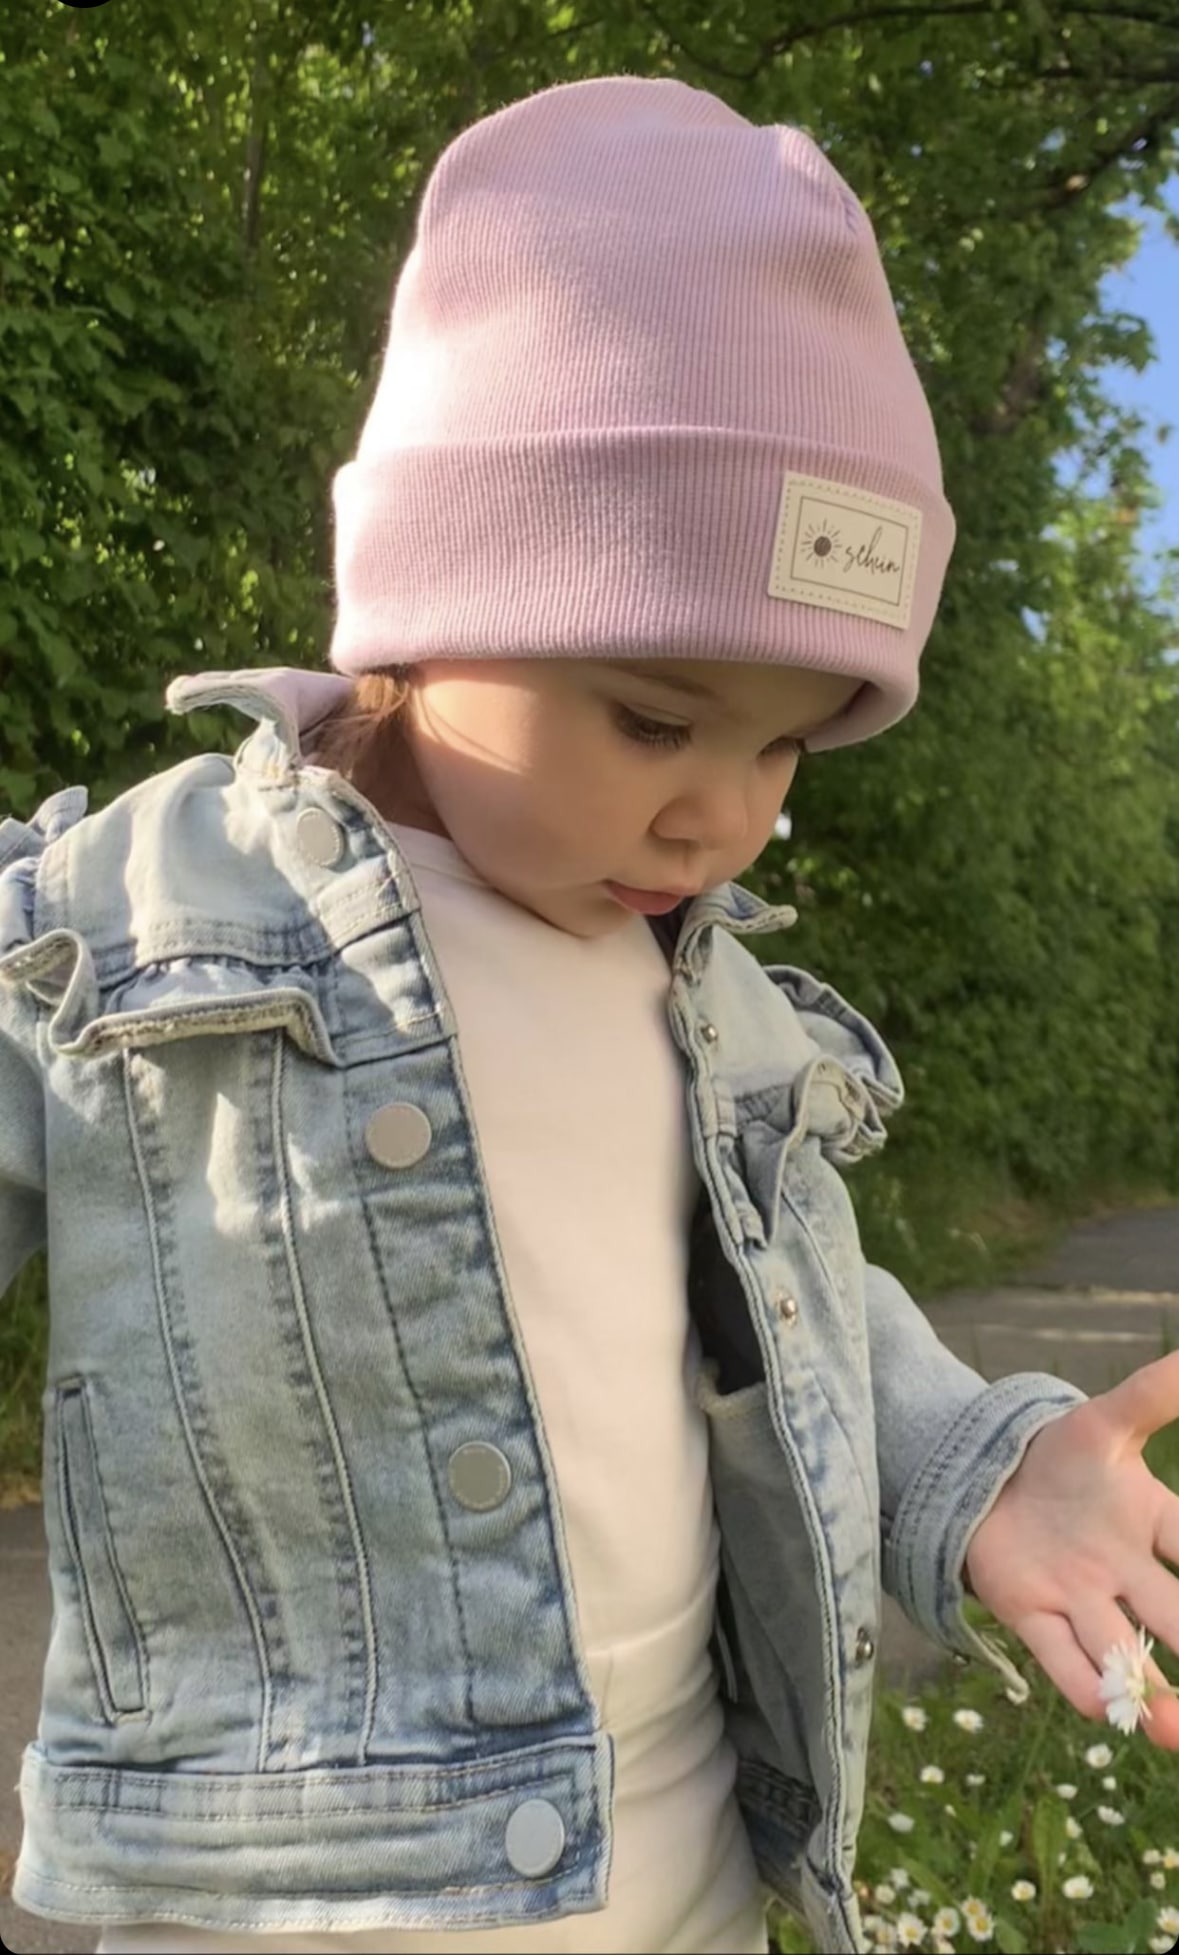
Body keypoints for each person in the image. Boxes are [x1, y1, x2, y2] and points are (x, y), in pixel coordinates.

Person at [1, 73, 1176, 1955]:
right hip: (313, 1903)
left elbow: (789, 1308)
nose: (725, 810)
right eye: (654, 717)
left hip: (695, 1860)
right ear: (428, 602)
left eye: (790, 744)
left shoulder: (703, 995)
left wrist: (967, 1468)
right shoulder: (119, 927)